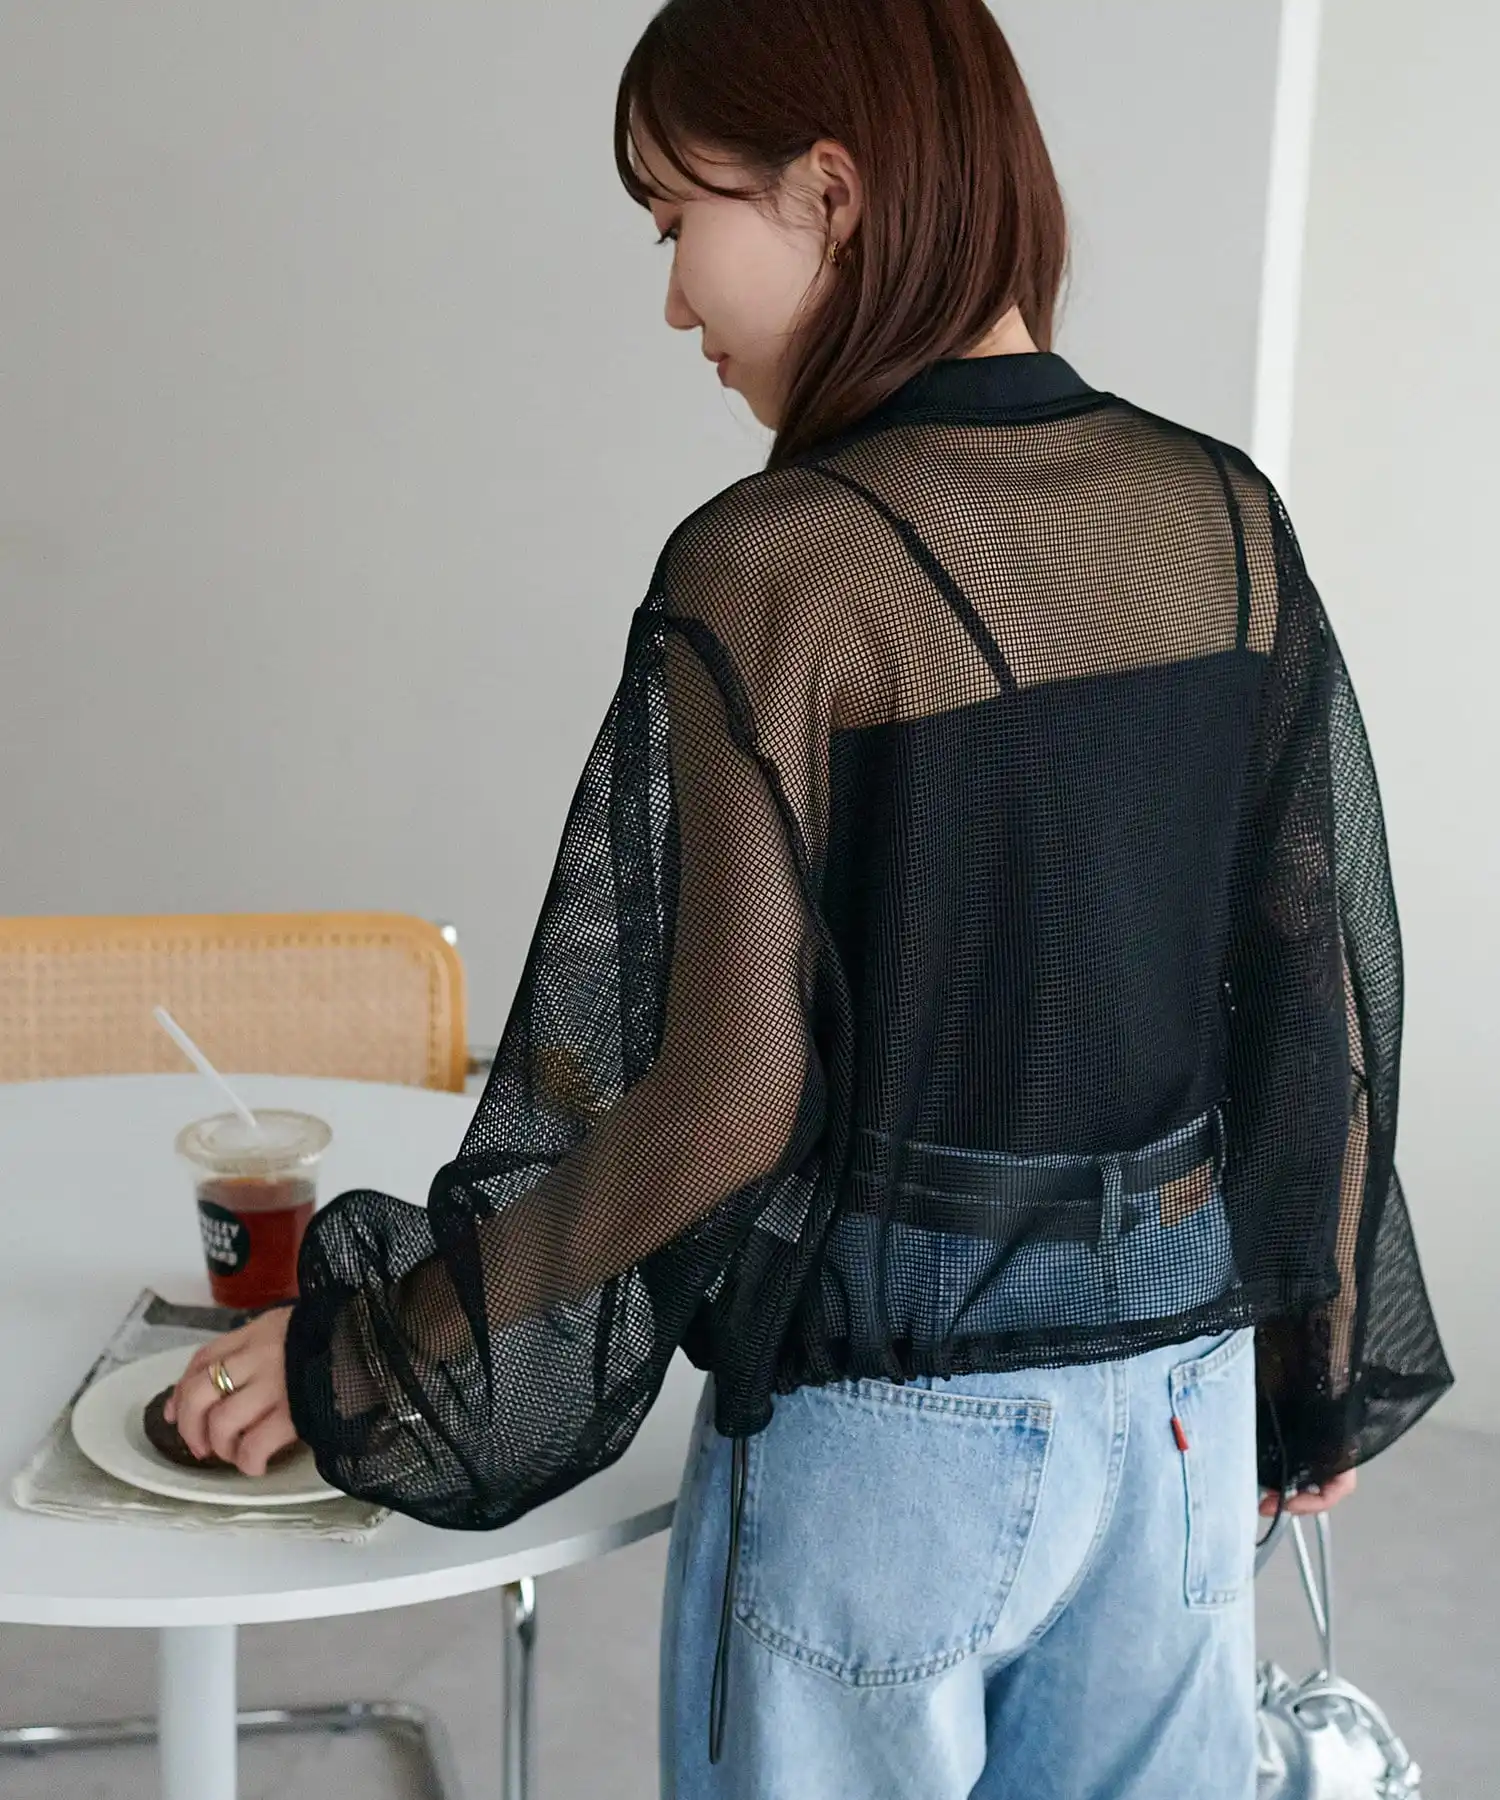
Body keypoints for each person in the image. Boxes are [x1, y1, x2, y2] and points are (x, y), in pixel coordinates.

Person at [167, 1, 1455, 1794]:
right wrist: (1316, 1362)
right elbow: (1317, 983)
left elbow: (722, 1105)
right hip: (1177, 1411)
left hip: (893, 1451)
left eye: (673, 219)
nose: (671, 300)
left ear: (829, 195)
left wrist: (384, 1348)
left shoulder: (780, 567)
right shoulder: (1221, 520)